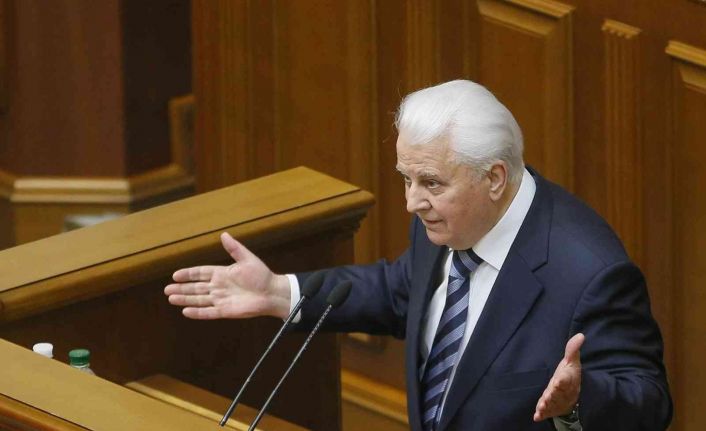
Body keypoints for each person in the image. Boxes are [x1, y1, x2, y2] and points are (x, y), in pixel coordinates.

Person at [164, 80, 672, 430]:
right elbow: (401, 291)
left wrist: (579, 400)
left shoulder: (590, 272)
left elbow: (649, 402)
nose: (412, 202)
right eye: (406, 179)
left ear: (494, 178)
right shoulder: (447, 220)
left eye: (430, 182)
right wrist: (282, 292)